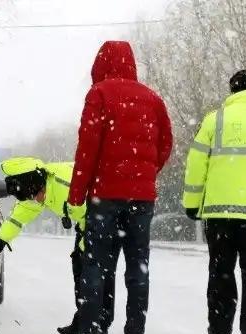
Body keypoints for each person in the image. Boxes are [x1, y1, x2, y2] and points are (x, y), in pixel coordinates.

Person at [65, 41, 173, 334]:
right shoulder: (153, 99)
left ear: (99, 65)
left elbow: (86, 150)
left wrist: (76, 197)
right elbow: (165, 144)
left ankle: (90, 326)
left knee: (96, 265)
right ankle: (135, 328)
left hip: (105, 196)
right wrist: (144, 174)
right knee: (138, 266)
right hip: (142, 199)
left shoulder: (99, 94)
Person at [0, 157, 116, 334]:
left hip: (108, 214)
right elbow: (18, 218)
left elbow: (98, 216)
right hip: (87, 219)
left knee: (97, 274)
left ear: (38, 185)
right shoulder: (34, 189)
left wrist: (86, 247)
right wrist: (0, 240)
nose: (35, 201)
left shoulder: (68, 186)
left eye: (34, 196)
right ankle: (84, 321)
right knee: (81, 269)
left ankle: (98, 325)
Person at [182, 69, 246, 334]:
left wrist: (192, 203)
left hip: (219, 215)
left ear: (232, 91)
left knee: (221, 276)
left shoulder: (215, 120)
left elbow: (196, 163)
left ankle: (219, 328)